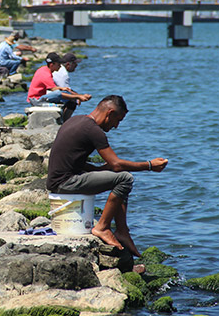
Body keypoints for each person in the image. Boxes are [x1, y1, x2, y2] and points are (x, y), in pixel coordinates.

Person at [47, 95, 169, 256]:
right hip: (65, 183)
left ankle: (122, 230)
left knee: (117, 176)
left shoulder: (76, 120)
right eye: (117, 120)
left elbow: (73, 161)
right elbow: (117, 163)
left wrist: (98, 170)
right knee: (125, 178)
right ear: (110, 113)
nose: (116, 126)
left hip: (60, 180)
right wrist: (149, 165)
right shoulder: (93, 131)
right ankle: (102, 227)